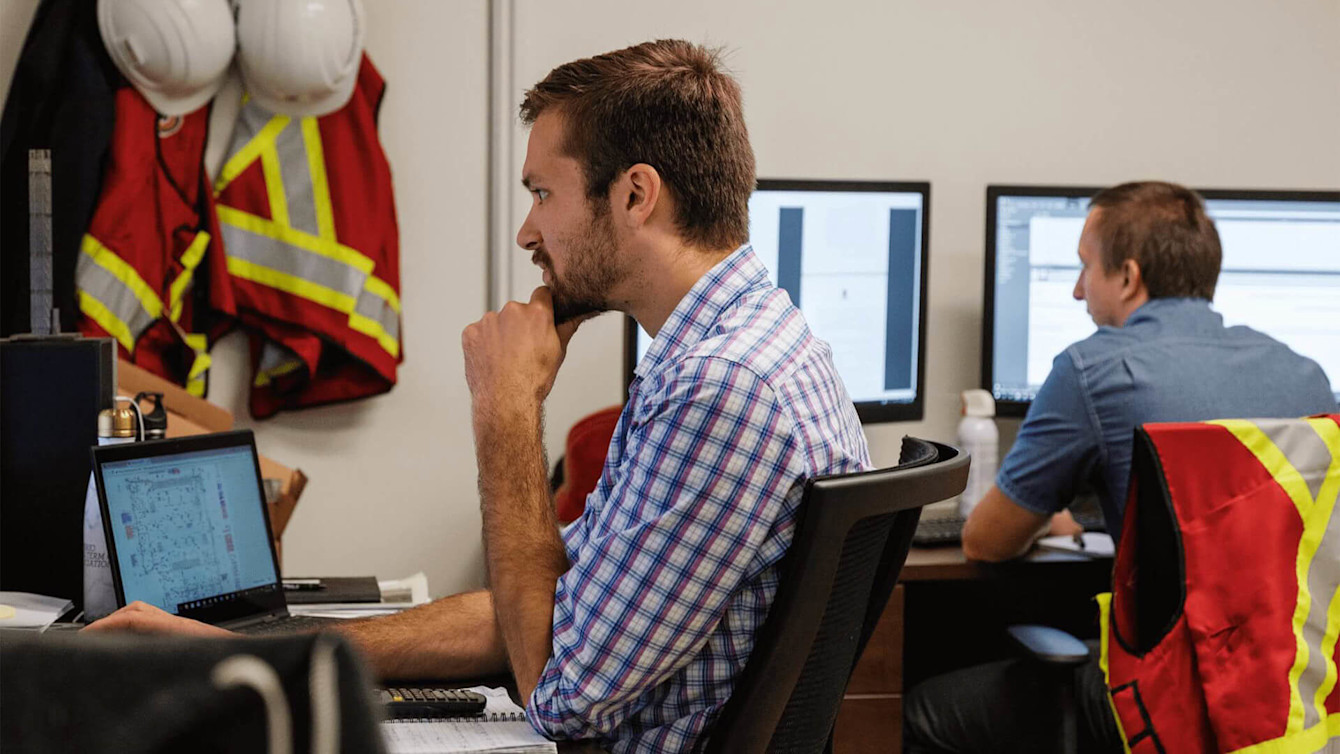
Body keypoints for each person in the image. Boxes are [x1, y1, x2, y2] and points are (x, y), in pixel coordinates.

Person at [86, 39, 872, 753]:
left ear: (636, 196)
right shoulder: (736, 349)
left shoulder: (722, 387)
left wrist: (506, 409)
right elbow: (549, 604)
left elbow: (560, 698)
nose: (529, 233)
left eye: (542, 194)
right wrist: (257, 649)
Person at [905, 181, 1336, 753]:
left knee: (920, 712)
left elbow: (986, 542)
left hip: (1162, 704)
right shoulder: (1306, 376)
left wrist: (1046, 512)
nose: (1079, 291)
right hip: (1289, 699)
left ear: (1129, 277)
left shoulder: (1093, 369)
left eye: (1086, 268)